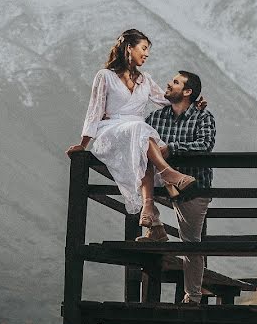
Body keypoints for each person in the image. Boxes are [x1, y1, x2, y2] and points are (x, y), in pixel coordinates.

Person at [67, 29, 199, 226]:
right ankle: (167, 172)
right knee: (141, 131)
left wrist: (193, 103)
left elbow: (167, 102)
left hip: (137, 133)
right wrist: (83, 144)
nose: (146, 54)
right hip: (110, 131)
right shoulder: (105, 76)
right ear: (129, 48)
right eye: (143, 48)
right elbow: (94, 110)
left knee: (141, 138)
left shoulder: (145, 80)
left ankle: (150, 216)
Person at [141, 70, 216, 305]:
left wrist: (171, 148)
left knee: (190, 241)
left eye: (175, 82)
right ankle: (155, 225)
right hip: (160, 183)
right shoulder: (156, 118)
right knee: (135, 165)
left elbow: (204, 145)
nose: (169, 83)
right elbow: (142, 140)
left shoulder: (203, 117)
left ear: (187, 91)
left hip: (194, 185)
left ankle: (192, 297)